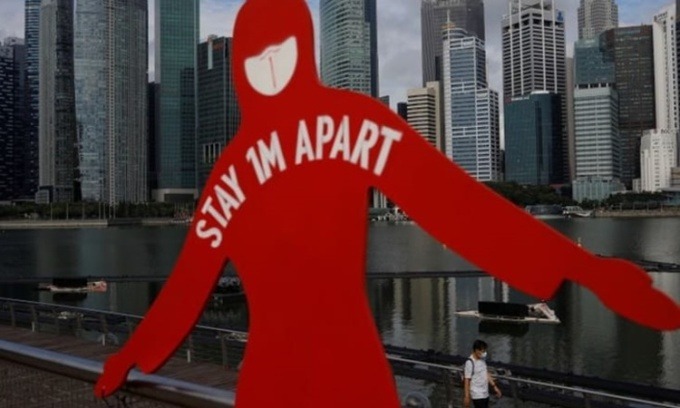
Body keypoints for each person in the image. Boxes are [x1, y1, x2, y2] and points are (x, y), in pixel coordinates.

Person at [95, 0, 680, 407]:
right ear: (239, 67)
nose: (270, 65)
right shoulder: (234, 171)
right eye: (256, 55)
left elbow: (462, 210)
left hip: (346, 375)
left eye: (283, 49)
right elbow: (186, 288)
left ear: (305, 49)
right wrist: (130, 356)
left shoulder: (348, 125)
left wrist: (588, 270)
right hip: (275, 385)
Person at [464, 340, 501, 408]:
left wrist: (494, 387)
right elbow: (467, 380)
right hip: (477, 394)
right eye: (482, 351)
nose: (484, 353)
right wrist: (467, 396)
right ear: (476, 350)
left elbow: (485, 373)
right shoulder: (470, 362)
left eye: (484, 351)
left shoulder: (482, 359)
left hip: (485, 393)